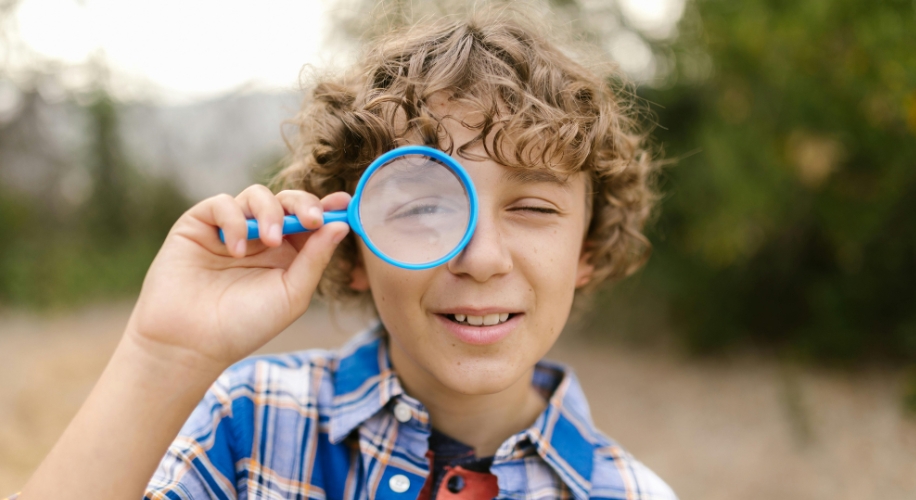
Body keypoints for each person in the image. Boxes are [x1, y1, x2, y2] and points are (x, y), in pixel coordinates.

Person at [12, 10, 677, 500]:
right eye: (421, 208)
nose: (480, 258)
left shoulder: (631, 494)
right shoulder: (250, 427)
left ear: (586, 250)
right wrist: (162, 355)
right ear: (353, 247)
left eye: (533, 208)